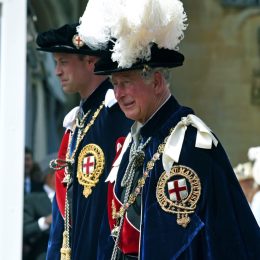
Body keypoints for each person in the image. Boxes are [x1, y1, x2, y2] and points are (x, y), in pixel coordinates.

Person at [77, 0, 260, 259]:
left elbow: (199, 242)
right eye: (115, 84)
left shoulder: (189, 143)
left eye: (127, 83)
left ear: (158, 82)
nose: (119, 94)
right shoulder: (135, 140)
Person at [36, 23, 132, 259]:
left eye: (63, 61)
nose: (57, 71)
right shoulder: (78, 120)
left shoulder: (116, 116)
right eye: (56, 63)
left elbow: (115, 202)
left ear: (90, 61)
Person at [23, 164, 55, 260]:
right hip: (41, 255)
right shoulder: (32, 198)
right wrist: (45, 221)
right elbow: (24, 230)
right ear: (49, 176)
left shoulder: (70, 197)